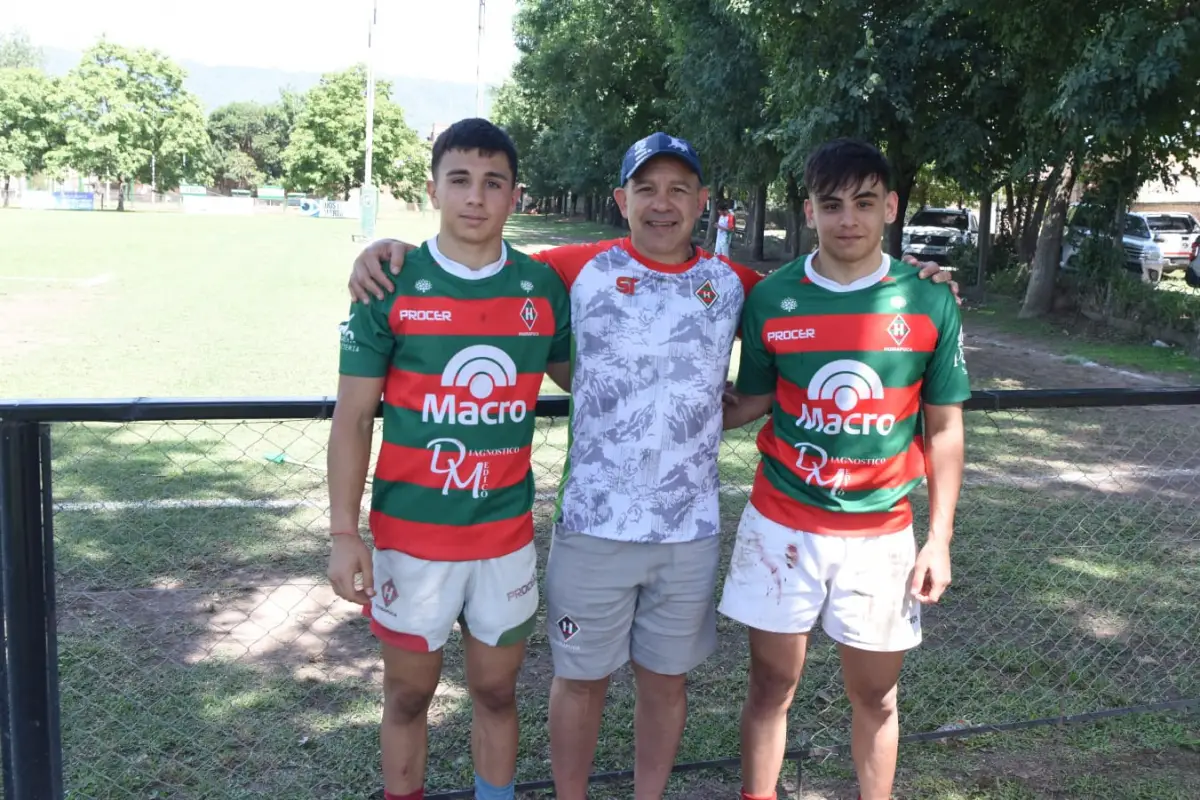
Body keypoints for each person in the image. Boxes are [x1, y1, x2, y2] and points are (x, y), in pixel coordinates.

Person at [345, 131, 960, 800]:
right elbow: (483, 258)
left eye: (677, 190)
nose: (661, 204)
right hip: (592, 526)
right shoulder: (569, 270)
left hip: (687, 531)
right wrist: (390, 250)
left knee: (665, 685)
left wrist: (920, 278)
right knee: (579, 682)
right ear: (621, 199)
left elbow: (820, 295)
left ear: (701, 200)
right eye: (646, 189)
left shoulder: (738, 285)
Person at [326, 118, 572, 800]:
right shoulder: (390, 283)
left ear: (515, 196)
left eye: (493, 183)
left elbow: (590, 376)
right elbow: (352, 419)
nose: (475, 197)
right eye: (459, 180)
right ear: (433, 189)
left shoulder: (540, 287)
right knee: (409, 696)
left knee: (495, 692)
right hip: (412, 541)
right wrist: (344, 533)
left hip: (503, 538)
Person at [718, 138, 970, 800]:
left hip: (881, 536)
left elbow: (944, 428)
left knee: (877, 697)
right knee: (770, 686)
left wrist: (939, 538)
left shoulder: (928, 300)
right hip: (782, 526)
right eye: (831, 205)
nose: (848, 219)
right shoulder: (774, 297)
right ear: (809, 211)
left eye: (864, 202)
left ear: (890, 206)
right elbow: (754, 400)